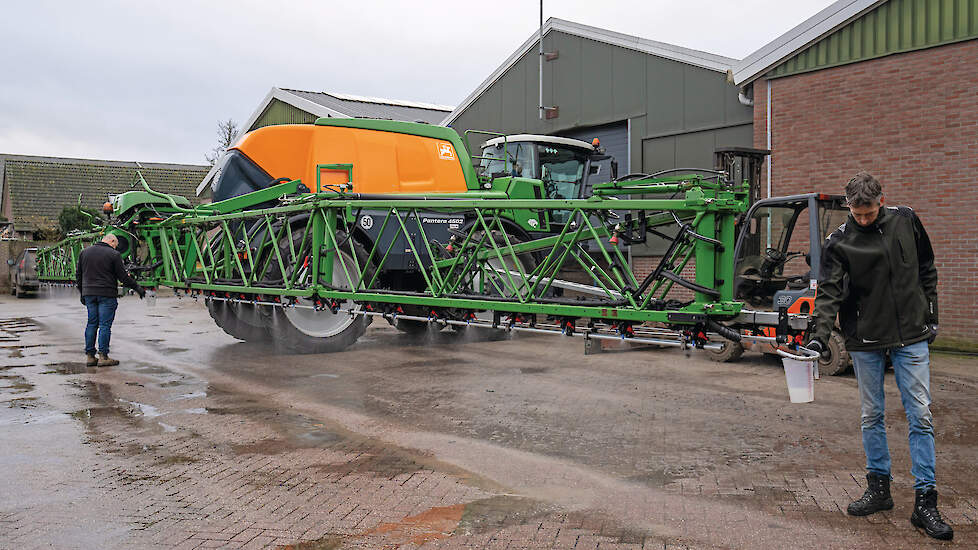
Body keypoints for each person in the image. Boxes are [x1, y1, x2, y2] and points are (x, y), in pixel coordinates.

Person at [808, 172, 951, 540]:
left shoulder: (906, 220)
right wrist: (818, 338)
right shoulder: (839, 241)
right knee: (872, 414)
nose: (865, 220)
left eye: (869, 213)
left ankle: (925, 501)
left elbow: (926, 269)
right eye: (858, 214)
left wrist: (931, 314)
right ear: (849, 207)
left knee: (920, 414)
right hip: (866, 339)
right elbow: (828, 293)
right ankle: (879, 489)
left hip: (911, 336)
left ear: (881, 201)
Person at [76, 234, 145, 367]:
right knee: (104, 325)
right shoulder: (113, 255)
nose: (116, 247)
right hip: (106, 294)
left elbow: (78, 274)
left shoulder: (84, 252)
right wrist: (137, 287)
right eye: (116, 245)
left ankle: (90, 357)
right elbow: (123, 277)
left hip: (89, 293)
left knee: (91, 324)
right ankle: (103, 356)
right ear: (112, 241)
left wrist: (82, 293)